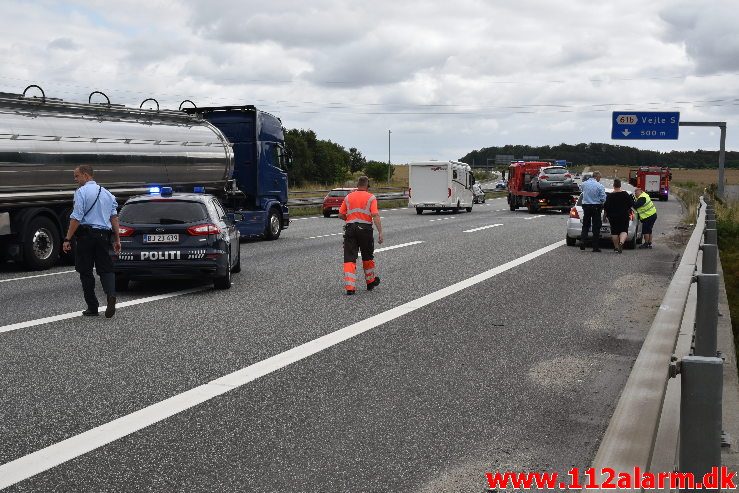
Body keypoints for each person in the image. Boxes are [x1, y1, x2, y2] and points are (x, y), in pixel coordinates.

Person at [62, 165, 121, 317]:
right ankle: (111, 295)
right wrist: (117, 239)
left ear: (86, 176)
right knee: (106, 268)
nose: (75, 179)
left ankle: (92, 307)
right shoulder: (108, 194)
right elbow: (114, 217)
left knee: (85, 271)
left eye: (77, 176)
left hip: (86, 237)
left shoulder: (81, 192)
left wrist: (67, 238)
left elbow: (76, 217)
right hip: (103, 236)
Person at [338, 176, 384, 295]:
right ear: (367, 186)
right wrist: (380, 232)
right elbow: (375, 215)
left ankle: (350, 288)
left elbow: (341, 214)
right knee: (367, 256)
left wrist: (349, 220)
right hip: (365, 230)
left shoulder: (348, 197)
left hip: (350, 229)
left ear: (357, 185)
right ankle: (370, 283)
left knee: (349, 257)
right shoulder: (371, 197)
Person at [603, 178, 634, 253]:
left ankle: (616, 248)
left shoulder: (610, 196)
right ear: (620, 185)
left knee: (614, 232)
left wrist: (605, 215)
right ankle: (621, 243)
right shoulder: (625, 194)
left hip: (613, 216)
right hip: (624, 215)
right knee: (623, 230)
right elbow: (630, 204)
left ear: (613, 186)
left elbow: (606, 207)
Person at [579, 170, 607, 252]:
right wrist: (600, 201)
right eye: (599, 178)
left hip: (586, 207)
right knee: (596, 226)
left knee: (585, 225)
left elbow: (581, 190)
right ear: (597, 177)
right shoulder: (599, 186)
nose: (599, 179)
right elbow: (603, 198)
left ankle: (583, 241)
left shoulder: (584, 184)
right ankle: (595, 247)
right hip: (596, 207)